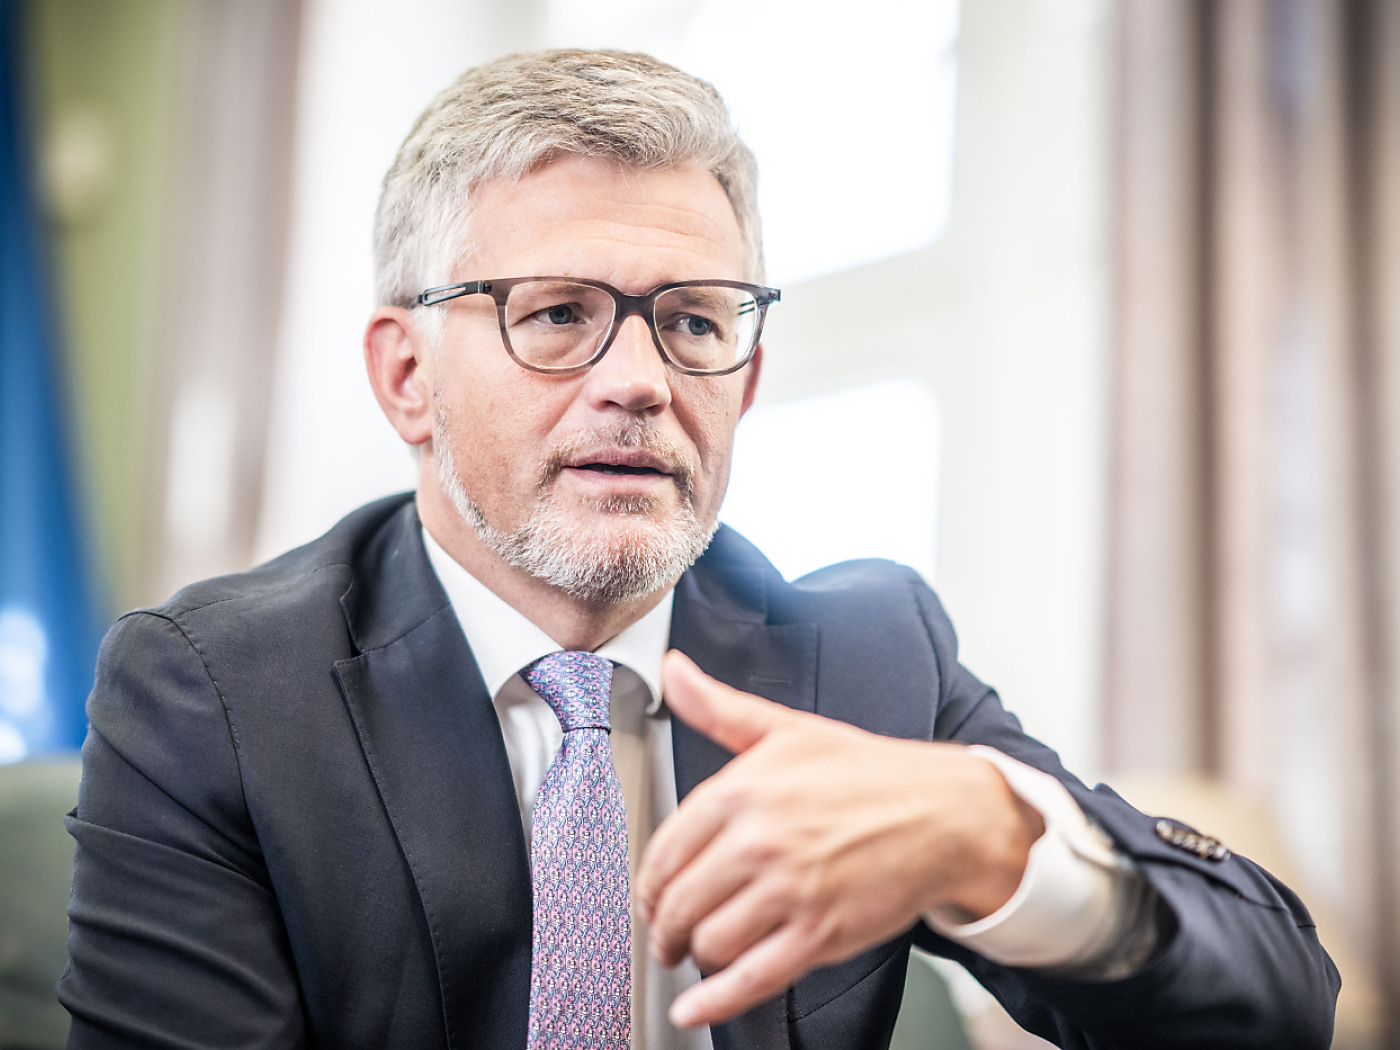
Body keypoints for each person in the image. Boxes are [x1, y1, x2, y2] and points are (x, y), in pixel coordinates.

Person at [60, 49, 1338, 1050]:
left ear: (747, 377)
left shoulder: (867, 657)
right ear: (407, 378)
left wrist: (994, 838)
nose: (640, 380)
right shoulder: (213, 693)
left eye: (692, 324)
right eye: (556, 314)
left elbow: (1277, 998)